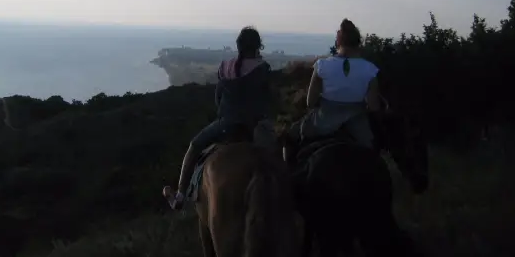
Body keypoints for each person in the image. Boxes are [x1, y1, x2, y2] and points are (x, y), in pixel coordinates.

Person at [162, 26, 272, 210]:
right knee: (277, 156)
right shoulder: (263, 68)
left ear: (238, 46)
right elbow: (266, 99)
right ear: (257, 47)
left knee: (195, 146)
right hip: (254, 127)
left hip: (225, 125)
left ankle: (180, 196)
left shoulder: (225, 67)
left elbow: (218, 98)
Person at [287, 18, 383, 155]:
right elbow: (374, 107)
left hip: (322, 123)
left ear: (338, 41)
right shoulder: (370, 69)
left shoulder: (322, 65)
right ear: (358, 43)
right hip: (357, 127)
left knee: (290, 137)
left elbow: (310, 102)